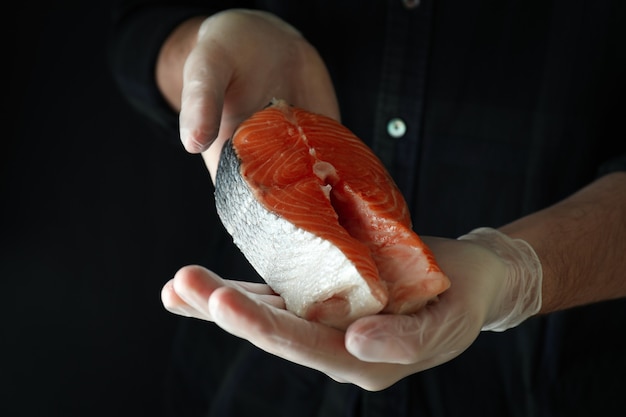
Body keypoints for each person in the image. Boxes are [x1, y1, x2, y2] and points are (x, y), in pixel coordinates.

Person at [109, 1, 626, 416]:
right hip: (252, 383)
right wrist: (203, 52)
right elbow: (139, 26)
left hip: (536, 379)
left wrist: (518, 271)